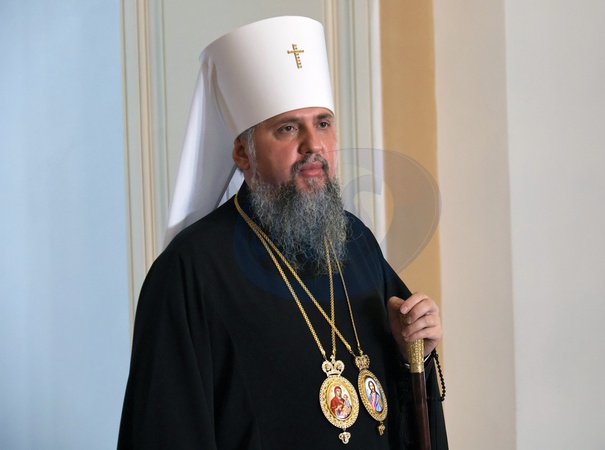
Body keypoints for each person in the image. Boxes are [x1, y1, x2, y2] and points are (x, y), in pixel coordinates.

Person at [118, 16, 447, 450]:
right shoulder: (190, 271)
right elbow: (167, 431)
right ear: (243, 153)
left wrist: (413, 351)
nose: (314, 145)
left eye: (323, 123)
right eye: (288, 128)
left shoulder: (356, 240)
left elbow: (402, 404)